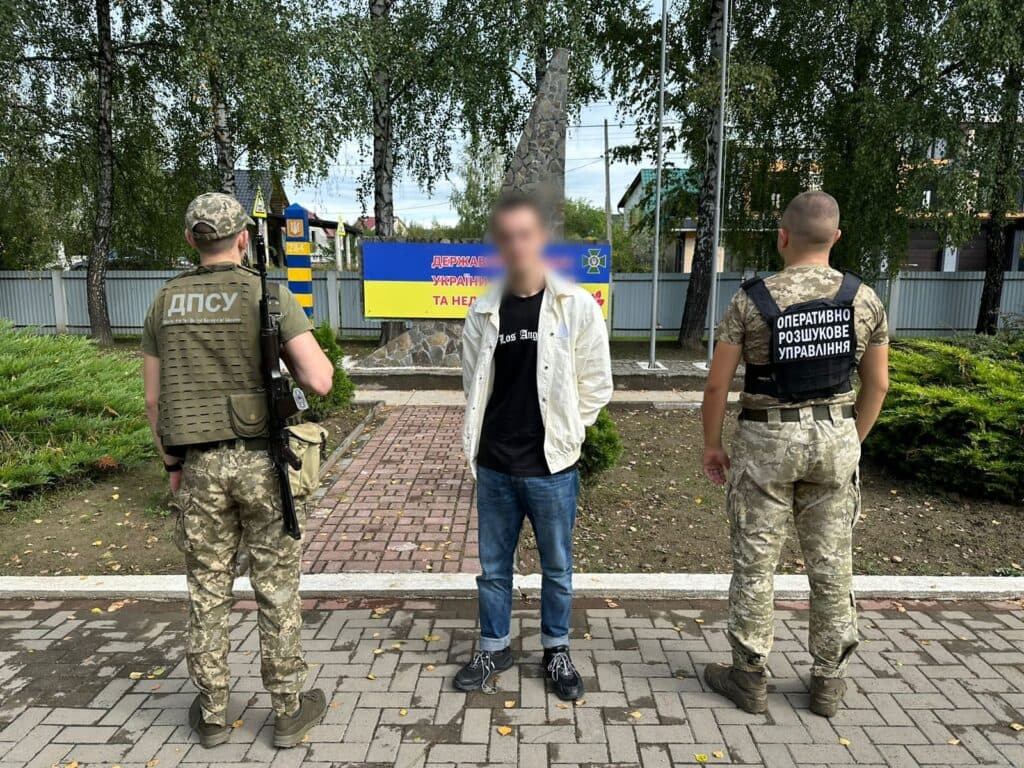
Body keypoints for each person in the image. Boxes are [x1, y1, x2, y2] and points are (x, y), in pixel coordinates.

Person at [141, 193, 335, 748]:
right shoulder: (267, 296)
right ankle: (288, 710)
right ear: (244, 238)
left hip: (199, 465)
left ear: (191, 240)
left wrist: (172, 466)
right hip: (263, 465)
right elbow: (320, 380)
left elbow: (154, 402)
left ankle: (212, 713)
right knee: (276, 588)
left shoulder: (164, 302)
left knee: (207, 590)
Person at [700, 191, 889, 718]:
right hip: (835, 440)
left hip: (765, 443)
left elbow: (717, 386)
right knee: (832, 566)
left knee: (756, 564)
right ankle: (828, 683)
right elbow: (877, 385)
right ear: (837, 237)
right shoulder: (864, 299)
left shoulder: (751, 300)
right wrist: (851, 439)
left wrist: (713, 444)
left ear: (782, 237)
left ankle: (749, 676)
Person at [458, 193, 613, 700]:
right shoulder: (483, 310)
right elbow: (473, 383)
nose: (516, 245)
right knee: (493, 570)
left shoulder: (576, 307)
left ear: (542, 238)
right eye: (505, 237)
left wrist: (568, 430)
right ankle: (494, 647)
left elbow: (597, 384)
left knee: (557, 568)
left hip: (552, 467)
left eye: (525, 234)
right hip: (495, 464)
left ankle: (556, 649)